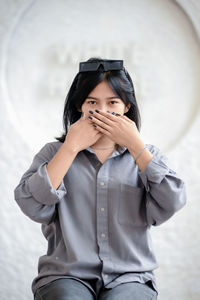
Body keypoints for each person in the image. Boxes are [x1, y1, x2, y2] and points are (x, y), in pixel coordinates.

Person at [14, 57, 186, 300]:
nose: (103, 111)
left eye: (113, 102)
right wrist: (70, 148)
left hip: (131, 277)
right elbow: (31, 205)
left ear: (126, 106)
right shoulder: (53, 153)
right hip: (66, 275)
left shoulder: (149, 156)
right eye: (92, 102)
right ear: (79, 107)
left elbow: (172, 202)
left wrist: (136, 147)